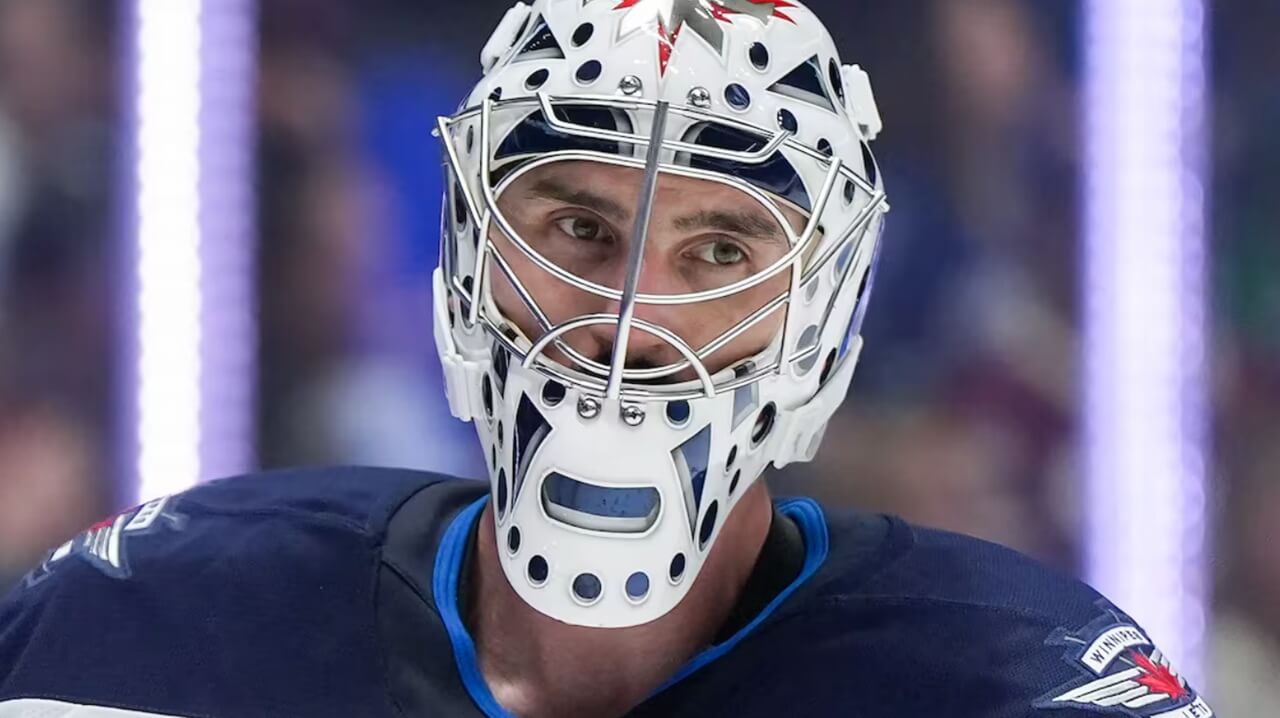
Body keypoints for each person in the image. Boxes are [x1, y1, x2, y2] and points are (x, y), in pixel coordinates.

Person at [0, 1, 1212, 716]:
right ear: (472, 255)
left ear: (821, 316)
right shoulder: (149, 625)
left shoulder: (1017, 683)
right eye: (579, 228)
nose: (631, 320)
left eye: (720, 248)